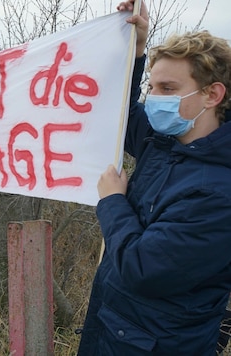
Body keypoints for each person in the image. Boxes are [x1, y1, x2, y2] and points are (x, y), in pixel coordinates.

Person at [78, 1, 231, 354]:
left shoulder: (217, 193)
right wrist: (136, 50)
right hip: (115, 329)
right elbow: (123, 115)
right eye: (152, 86)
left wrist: (113, 201)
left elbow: (141, 267)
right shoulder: (167, 142)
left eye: (167, 88)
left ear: (212, 94)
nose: (153, 98)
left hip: (157, 344)